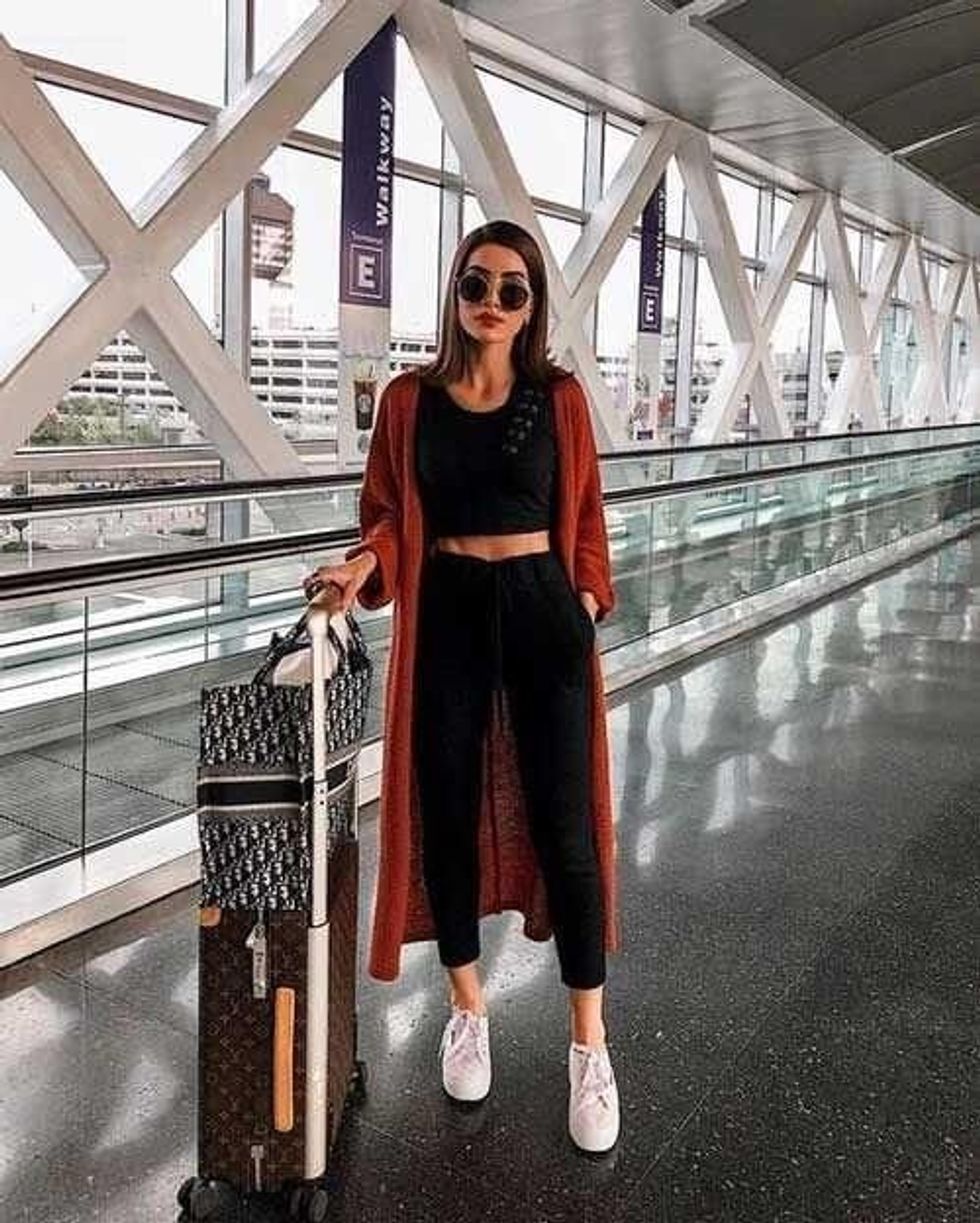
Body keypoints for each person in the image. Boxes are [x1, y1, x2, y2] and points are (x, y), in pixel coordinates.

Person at [304, 220, 620, 1155]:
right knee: (444, 811)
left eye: (511, 289)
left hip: (541, 608)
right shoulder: (411, 400)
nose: (491, 301)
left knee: (567, 827)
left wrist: (585, 601)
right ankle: (468, 1007)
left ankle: (590, 1044)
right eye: (475, 284)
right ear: (454, 293)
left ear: (532, 305)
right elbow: (390, 516)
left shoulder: (559, 398)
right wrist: (363, 566)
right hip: (445, 612)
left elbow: (588, 515)